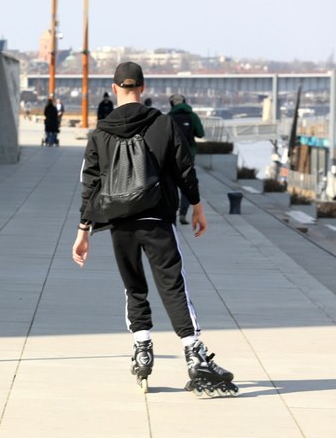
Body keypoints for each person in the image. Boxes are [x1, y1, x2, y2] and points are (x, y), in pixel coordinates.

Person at [72, 62, 237, 396]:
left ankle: (143, 347)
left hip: (119, 222)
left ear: (115, 88)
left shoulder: (100, 133)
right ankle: (193, 352)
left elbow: (90, 184)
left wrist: (83, 230)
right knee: (173, 286)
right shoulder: (164, 124)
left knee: (134, 287)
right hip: (157, 220)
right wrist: (197, 207)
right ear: (143, 88)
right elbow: (184, 170)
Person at [168, 94, 204, 224]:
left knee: (171, 182)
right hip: (189, 153)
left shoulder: (168, 117)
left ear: (172, 104)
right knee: (187, 182)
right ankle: (183, 213)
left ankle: (171, 212)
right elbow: (201, 133)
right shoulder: (192, 116)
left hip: (172, 154)